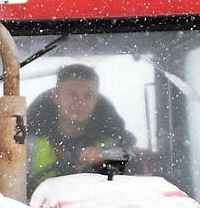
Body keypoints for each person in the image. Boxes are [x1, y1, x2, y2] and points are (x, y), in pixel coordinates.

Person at [21, 64, 137, 195]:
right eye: (72, 94)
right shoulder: (23, 141)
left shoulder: (112, 135)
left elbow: (134, 163)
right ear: (55, 96)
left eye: (88, 96)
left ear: (96, 100)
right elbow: (7, 189)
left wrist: (105, 156)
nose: (80, 103)